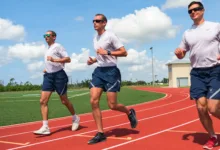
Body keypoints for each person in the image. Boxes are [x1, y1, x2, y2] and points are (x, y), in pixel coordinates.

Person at [86, 14, 138, 144]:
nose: (95, 23)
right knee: (93, 100)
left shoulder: (110, 36)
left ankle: (129, 112)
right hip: (99, 71)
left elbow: (124, 52)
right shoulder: (95, 38)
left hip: (111, 71)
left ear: (104, 23)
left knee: (112, 105)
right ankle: (100, 133)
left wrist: (108, 53)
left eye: (97, 21)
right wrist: (93, 60)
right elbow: (100, 55)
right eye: (93, 21)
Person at [175, 1, 220, 149]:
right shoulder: (187, 33)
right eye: (190, 11)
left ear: (203, 10)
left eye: (196, 9)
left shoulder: (215, 26)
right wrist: (179, 53)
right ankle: (213, 137)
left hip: (214, 70)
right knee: (201, 108)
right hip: (197, 73)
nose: (193, 12)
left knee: (213, 108)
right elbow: (182, 53)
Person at [33, 30, 80, 135]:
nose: (46, 37)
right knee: (42, 101)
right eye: (44, 35)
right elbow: (50, 62)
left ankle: (75, 118)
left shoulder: (58, 46)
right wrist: (47, 68)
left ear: (54, 37)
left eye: (48, 35)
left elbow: (68, 59)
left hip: (59, 76)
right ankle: (45, 127)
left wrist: (55, 60)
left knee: (64, 101)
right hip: (49, 76)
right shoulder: (48, 49)